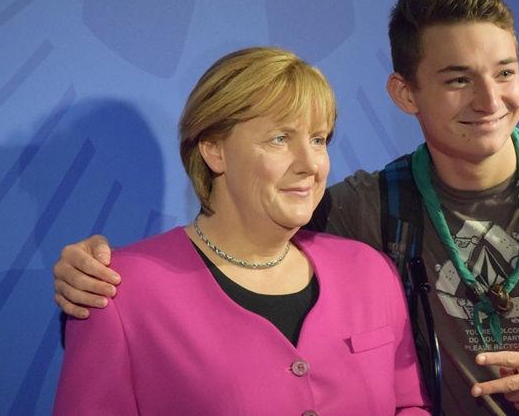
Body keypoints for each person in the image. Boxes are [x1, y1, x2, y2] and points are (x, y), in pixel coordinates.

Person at [53, 0, 519, 415]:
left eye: (505, 73)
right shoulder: (362, 210)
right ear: (406, 93)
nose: (490, 100)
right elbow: (235, 248)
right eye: (458, 80)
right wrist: (91, 278)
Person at [53, 47, 430, 415]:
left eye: (318, 139)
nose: (310, 164)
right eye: (280, 138)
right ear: (214, 150)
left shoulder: (370, 272)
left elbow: (409, 406)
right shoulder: (116, 289)